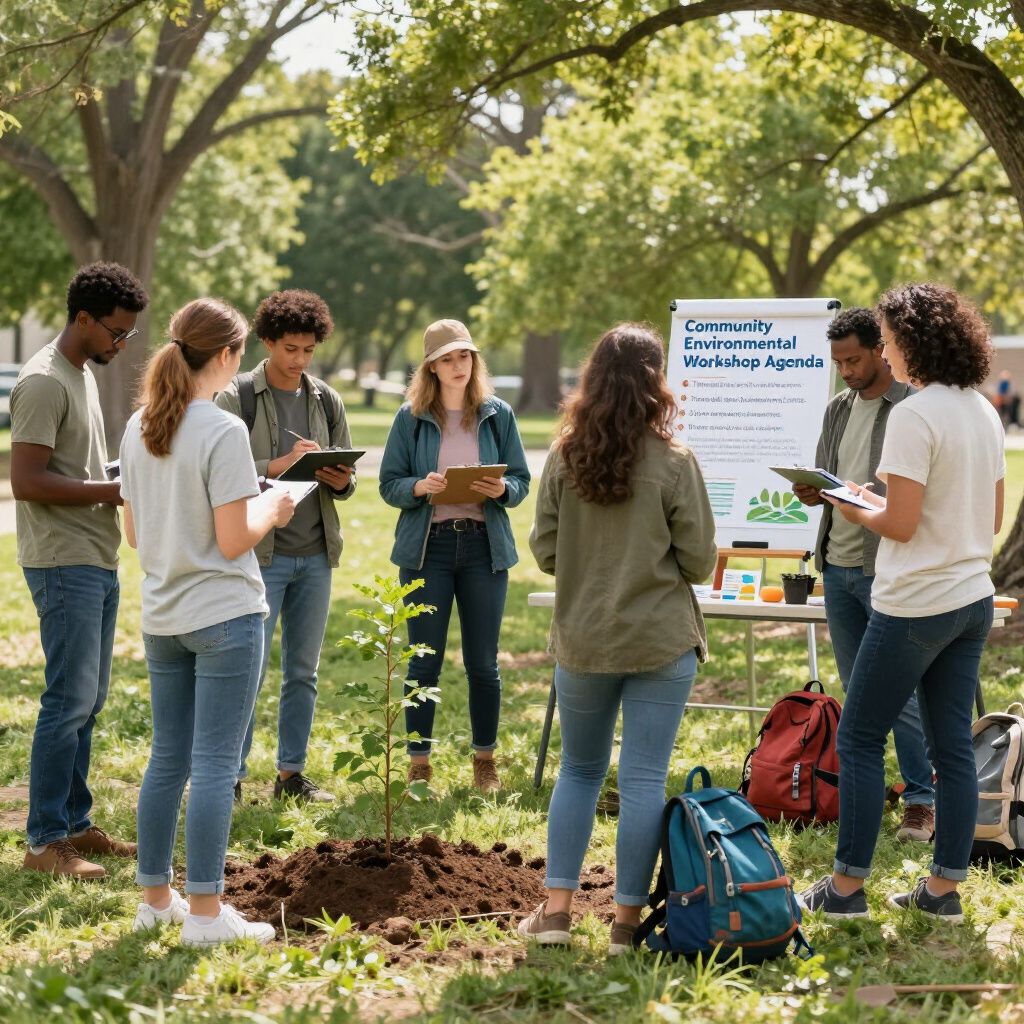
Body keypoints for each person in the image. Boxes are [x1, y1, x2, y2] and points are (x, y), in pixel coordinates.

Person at [799, 284, 1004, 923]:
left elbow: (902, 524)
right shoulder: (983, 410)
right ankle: (942, 895)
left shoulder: (914, 414)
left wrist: (849, 502)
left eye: (887, 339)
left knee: (859, 740)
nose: (884, 348)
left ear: (912, 341)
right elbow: (992, 516)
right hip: (971, 598)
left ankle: (844, 889)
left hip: (915, 602)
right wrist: (874, 500)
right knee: (951, 750)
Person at [520, 323, 717, 954]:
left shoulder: (564, 453)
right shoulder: (676, 460)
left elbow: (546, 550)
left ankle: (554, 914)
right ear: (656, 381)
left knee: (577, 771)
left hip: (582, 640)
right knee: (641, 781)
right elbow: (698, 562)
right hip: (659, 641)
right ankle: (626, 926)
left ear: (593, 378)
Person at [120, 298, 296, 946]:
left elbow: (134, 534)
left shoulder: (139, 426)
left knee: (167, 758)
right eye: (240, 352)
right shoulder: (222, 432)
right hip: (224, 614)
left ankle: (154, 900)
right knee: (216, 764)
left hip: (162, 618)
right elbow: (231, 539)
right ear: (223, 357)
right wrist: (272, 509)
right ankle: (203, 914)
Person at [10, 262, 148, 880]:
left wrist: (115, 481)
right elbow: (28, 481)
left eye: (129, 335)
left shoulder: (83, 375)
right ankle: (42, 843)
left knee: (87, 702)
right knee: (67, 701)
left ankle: (74, 824)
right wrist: (113, 493)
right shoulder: (44, 382)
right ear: (83, 319)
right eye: (116, 333)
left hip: (94, 554)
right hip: (63, 561)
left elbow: (76, 466)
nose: (122, 344)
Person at [793, 307, 935, 842]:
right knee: (860, 694)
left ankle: (923, 800)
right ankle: (867, 797)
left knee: (898, 691)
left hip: (887, 570)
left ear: (880, 349)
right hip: (837, 565)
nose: (847, 370)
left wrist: (867, 498)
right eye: (838, 362)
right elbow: (825, 476)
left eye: (854, 359)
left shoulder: (912, 408)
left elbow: (915, 496)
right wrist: (812, 490)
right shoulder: (837, 408)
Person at [378, 318, 530, 794]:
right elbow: (389, 484)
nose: (458, 365)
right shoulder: (411, 417)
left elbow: (523, 480)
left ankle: (485, 760)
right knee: (424, 661)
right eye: (448, 358)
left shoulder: (497, 413)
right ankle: (418, 762)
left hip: (485, 547)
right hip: (431, 548)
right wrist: (421, 487)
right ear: (431, 367)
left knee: (484, 662)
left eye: (464, 356)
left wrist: (503, 487)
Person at [216, 290, 355, 804]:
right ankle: (228, 777)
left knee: (304, 672)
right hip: (260, 554)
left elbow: (348, 481)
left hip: (316, 554)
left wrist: (339, 478)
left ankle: (290, 776)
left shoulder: (326, 399)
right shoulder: (237, 396)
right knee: (247, 670)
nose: (299, 359)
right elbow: (218, 475)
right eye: (290, 348)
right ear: (268, 341)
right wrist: (274, 466)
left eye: (308, 350)